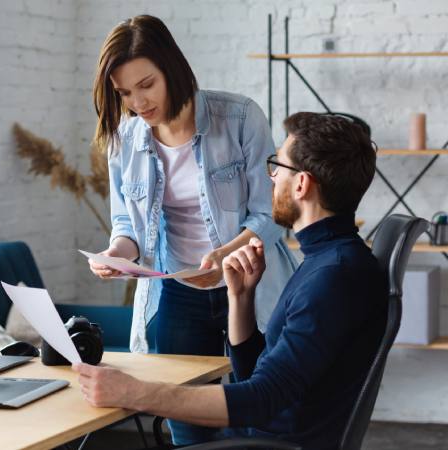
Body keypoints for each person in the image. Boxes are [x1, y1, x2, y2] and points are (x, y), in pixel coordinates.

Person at [75, 112, 386, 449]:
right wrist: (241, 299)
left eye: (277, 167)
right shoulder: (327, 261)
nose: (271, 178)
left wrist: (134, 392)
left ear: (301, 184)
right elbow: (258, 374)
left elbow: (260, 400)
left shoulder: (334, 277)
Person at [87, 15, 297, 444]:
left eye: (146, 85)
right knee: (186, 421)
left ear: (172, 68)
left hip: (252, 286)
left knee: (257, 414)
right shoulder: (125, 138)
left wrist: (224, 256)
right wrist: (117, 254)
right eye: (125, 92)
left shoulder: (238, 117)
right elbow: (126, 223)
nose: (138, 103)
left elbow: (271, 214)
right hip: (178, 292)